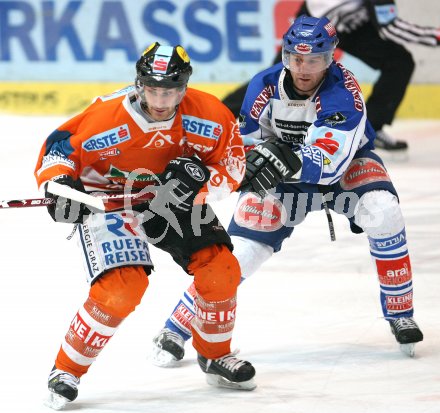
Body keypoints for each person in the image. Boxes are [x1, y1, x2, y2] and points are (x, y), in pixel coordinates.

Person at [150, 15, 424, 368]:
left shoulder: (344, 93)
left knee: (383, 212)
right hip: (284, 175)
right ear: (285, 56)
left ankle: (400, 312)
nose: (304, 69)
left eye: (315, 60)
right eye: (296, 58)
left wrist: (279, 157)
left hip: (344, 169)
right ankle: (176, 327)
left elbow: (331, 161)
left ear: (331, 59)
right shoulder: (264, 86)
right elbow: (243, 142)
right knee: (243, 252)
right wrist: (241, 164)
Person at [34, 42, 256, 410]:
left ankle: (215, 356)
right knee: (122, 287)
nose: (160, 98)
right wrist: (58, 186)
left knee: (221, 270)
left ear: (183, 87)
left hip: (172, 201)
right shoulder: (106, 117)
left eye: (169, 90)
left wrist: (199, 184)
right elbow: (58, 149)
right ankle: (66, 371)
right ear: (138, 84)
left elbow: (232, 167)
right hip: (112, 201)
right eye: (152, 89)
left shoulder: (211, 115)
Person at [222, 0, 440, 151]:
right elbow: (389, 29)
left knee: (399, 61)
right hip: (322, 22)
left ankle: (368, 126)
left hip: (347, 18)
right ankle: (220, 112)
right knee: (277, 77)